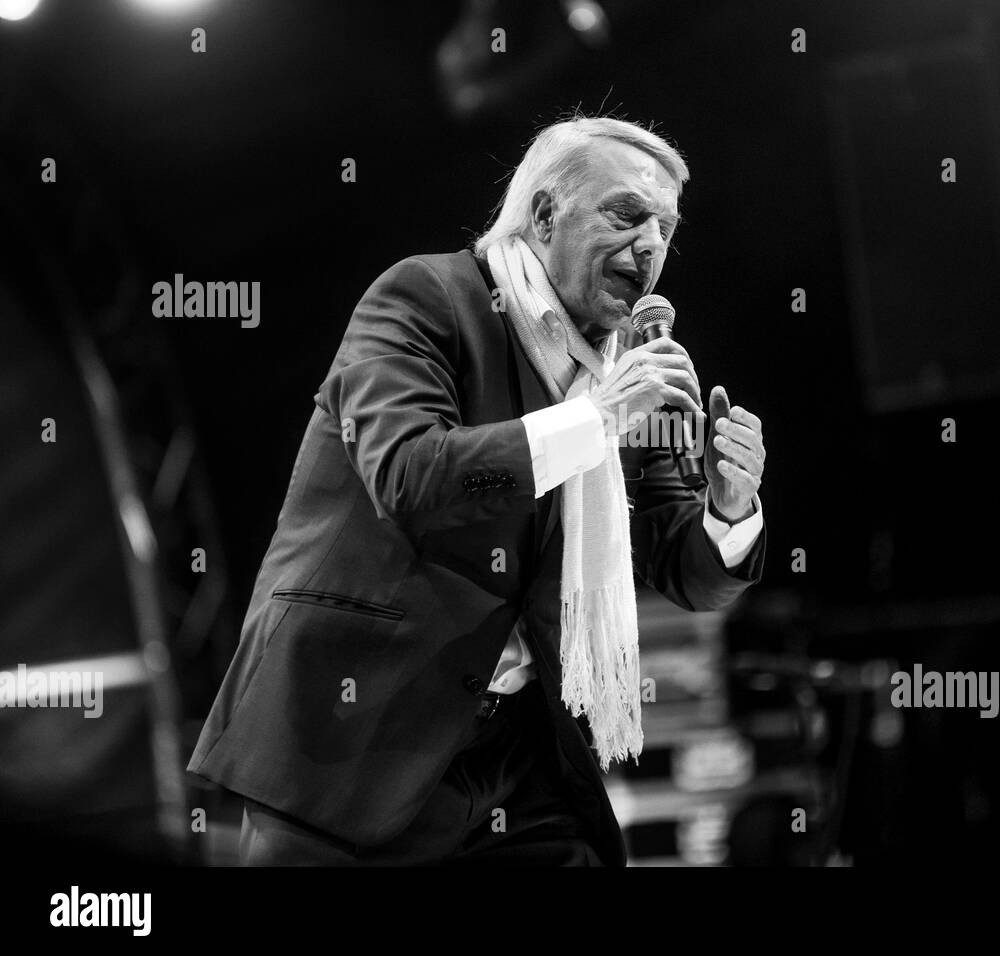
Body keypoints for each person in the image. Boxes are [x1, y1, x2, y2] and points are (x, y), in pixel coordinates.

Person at [187, 115, 768, 866]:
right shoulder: (426, 298)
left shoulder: (627, 369)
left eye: (665, 226)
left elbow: (678, 564)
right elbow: (410, 474)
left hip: (519, 758)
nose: (651, 246)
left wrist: (729, 510)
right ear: (546, 213)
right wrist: (596, 419)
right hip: (356, 731)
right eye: (627, 215)